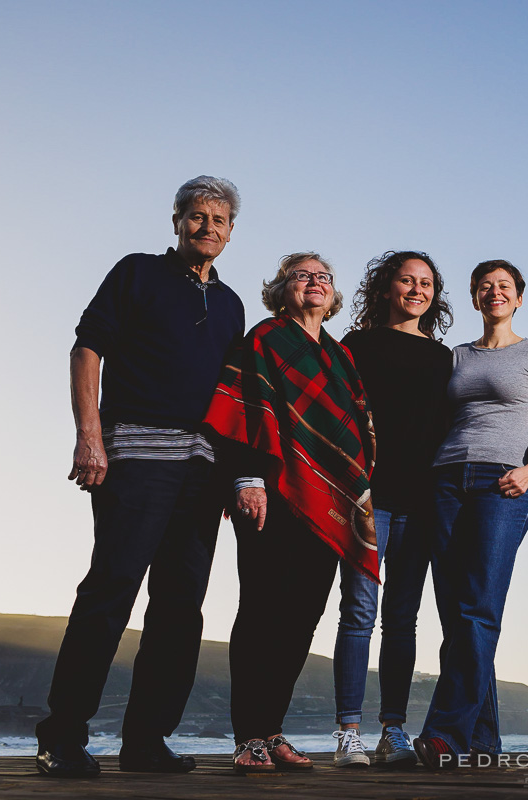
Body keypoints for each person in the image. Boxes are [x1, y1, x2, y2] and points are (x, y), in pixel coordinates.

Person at [36, 176, 245, 778]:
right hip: (135, 455)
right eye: (196, 217)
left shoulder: (230, 304)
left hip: (203, 471)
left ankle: (146, 740)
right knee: (112, 589)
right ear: (177, 221)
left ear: (232, 232)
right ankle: (62, 736)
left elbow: (234, 399)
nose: (207, 228)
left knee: (181, 606)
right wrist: (89, 434)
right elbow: (87, 349)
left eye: (219, 220)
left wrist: (234, 475)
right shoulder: (136, 272)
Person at [202, 252, 378, 773]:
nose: (315, 283)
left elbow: (358, 424)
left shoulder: (340, 355)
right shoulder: (265, 338)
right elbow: (241, 411)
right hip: (273, 493)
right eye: (303, 276)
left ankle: (271, 730)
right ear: (282, 289)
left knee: (303, 618)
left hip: (327, 506)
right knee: (261, 612)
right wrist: (248, 478)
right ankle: (247, 738)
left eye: (324, 277)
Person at [413, 260, 528, 768]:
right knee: (457, 616)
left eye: (503, 287)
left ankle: (444, 735)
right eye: (485, 287)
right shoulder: (454, 357)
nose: (494, 293)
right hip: (446, 481)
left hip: (504, 483)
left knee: (480, 607)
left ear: (518, 298)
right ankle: (483, 743)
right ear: (475, 300)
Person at [331, 251, 454, 768]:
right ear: (386, 288)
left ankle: (393, 731)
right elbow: (335, 413)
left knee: (403, 620)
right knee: (359, 612)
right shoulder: (357, 344)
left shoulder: (445, 356)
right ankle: (348, 732)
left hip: (422, 501)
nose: (417, 290)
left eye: (426, 283)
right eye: (407, 280)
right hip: (369, 498)